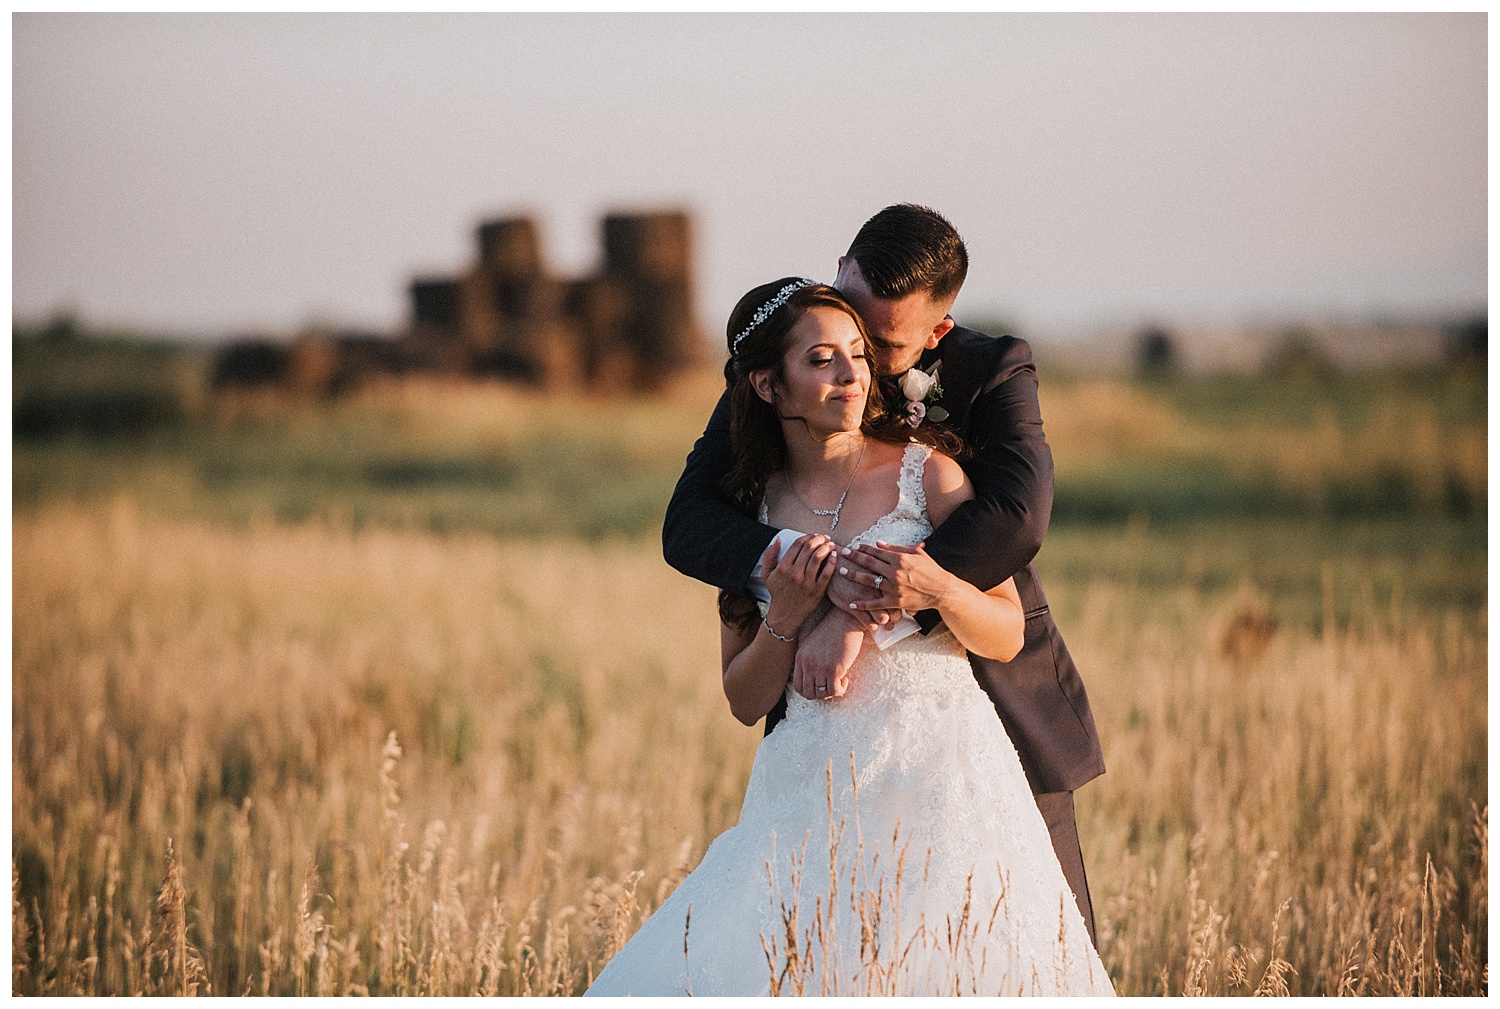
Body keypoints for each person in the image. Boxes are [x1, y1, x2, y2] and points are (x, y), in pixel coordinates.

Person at [585, 279, 1113, 996]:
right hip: (810, 785)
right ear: (769, 386)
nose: (851, 374)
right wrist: (787, 613)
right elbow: (744, 697)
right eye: (822, 359)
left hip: (942, 776)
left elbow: (1008, 632)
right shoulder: (751, 509)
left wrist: (938, 590)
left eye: (860, 355)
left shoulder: (929, 478)